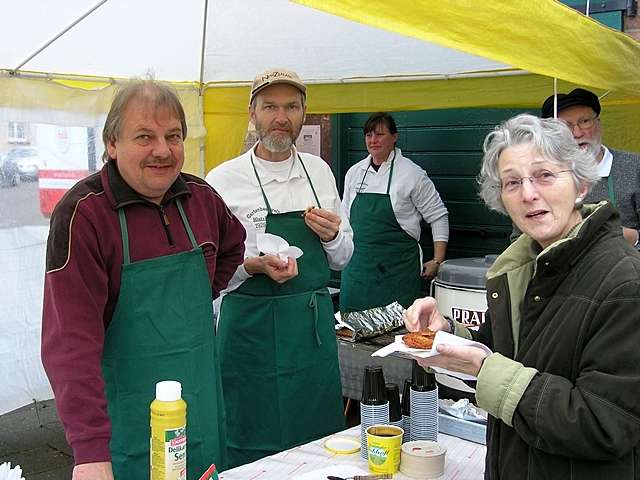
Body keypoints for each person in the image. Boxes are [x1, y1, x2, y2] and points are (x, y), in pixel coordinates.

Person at [404, 114, 640, 479]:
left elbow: (605, 423)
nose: (528, 194)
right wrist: (445, 334)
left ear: (580, 185)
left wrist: (487, 372)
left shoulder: (625, 283)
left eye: (544, 175)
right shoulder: (523, 266)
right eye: (512, 182)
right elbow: (498, 351)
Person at [41, 80, 247, 480]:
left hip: (201, 412)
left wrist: (203, 290)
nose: (162, 150)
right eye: (144, 137)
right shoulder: (83, 215)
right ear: (112, 143)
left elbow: (233, 245)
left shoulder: (202, 198)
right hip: (127, 426)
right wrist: (88, 451)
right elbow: (70, 343)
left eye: (173, 136)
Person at [205, 69, 354, 467]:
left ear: (304, 113)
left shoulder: (319, 172)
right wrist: (250, 266)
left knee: (314, 440)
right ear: (252, 113)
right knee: (245, 431)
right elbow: (209, 272)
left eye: (291, 107)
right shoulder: (222, 180)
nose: (281, 117)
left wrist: (331, 236)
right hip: (247, 332)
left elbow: (342, 258)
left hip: (308, 331)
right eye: (270, 106)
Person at [339, 112, 448, 312]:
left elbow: (438, 216)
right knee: (351, 334)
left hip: (397, 274)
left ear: (394, 137)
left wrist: (437, 260)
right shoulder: (354, 173)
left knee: (398, 335)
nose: (373, 141)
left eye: (379, 134)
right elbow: (343, 218)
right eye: (369, 135)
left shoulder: (412, 174)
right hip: (357, 272)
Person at [533, 88, 640, 248]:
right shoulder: (538, 177)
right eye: (564, 126)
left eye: (584, 121)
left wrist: (633, 238)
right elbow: (519, 241)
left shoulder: (635, 166)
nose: (576, 133)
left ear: (598, 122)